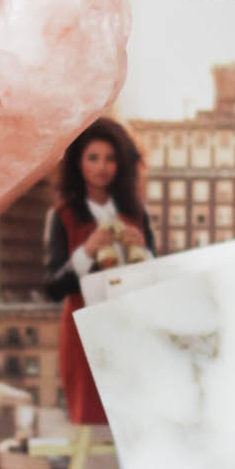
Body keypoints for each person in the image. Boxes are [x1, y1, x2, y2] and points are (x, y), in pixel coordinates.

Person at [44, 118, 155, 425]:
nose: (102, 167)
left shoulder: (137, 215)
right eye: (93, 158)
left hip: (132, 328)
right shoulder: (62, 217)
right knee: (92, 420)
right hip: (85, 333)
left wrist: (143, 251)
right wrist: (87, 251)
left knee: (136, 417)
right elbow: (53, 288)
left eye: (110, 158)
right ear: (78, 163)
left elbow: (155, 278)